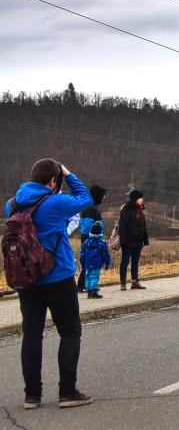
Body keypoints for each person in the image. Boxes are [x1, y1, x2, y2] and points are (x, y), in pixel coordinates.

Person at [5, 158, 97, 409]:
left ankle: (32, 396)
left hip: (27, 280)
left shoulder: (12, 205)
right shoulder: (55, 202)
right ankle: (67, 392)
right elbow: (85, 198)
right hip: (57, 278)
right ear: (53, 181)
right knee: (69, 332)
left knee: (32, 335)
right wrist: (69, 173)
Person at [117, 189, 149, 290]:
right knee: (125, 262)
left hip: (138, 240)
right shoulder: (126, 209)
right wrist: (123, 240)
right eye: (140, 197)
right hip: (128, 241)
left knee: (135, 261)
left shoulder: (140, 209)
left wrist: (144, 239)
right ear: (135, 198)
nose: (142, 199)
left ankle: (134, 282)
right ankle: (123, 283)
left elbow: (143, 225)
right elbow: (122, 225)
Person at [76, 186, 106, 292]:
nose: (104, 198)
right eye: (103, 196)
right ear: (97, 196)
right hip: (90, 240)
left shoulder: (93, 207)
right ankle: (81, 286)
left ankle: (87, 285)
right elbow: (87, 227)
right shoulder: (90, 208)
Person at [79, 221, 111, 299]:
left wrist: (82, 263)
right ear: (100, 232)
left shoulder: (86, 242)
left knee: (88, 276)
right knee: (94, 276)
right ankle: (93, 291)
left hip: (87, 262)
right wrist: (107, 263)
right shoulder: (102, 243)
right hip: (97, 263)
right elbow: (105, 254)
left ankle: (89, 291)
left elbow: (82, 254)